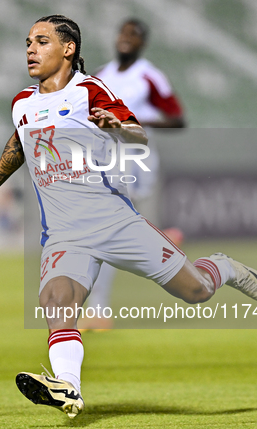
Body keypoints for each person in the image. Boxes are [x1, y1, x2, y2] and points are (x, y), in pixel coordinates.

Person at [0, 15, 257, 419]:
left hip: (115, 221)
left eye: (41, 41)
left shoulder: (89, 90)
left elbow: (139, 133)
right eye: (28, 42)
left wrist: (116, 124)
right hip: (64, 233)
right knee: (56, 302)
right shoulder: (22, 102)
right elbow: (19, 140)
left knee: (196, 291)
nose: (31, 49)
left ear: (68, 48)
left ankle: (222, 267)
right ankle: (69, 387)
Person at [82, 18, 186, 330]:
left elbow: (178, 119)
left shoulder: (150, 76)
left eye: (134, 35)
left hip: (137, 158)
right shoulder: (102, 76)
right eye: (123, 33)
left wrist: (137, 121)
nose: (126, 38)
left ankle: (99, 310)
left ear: (142, 43)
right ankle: (160, 240)